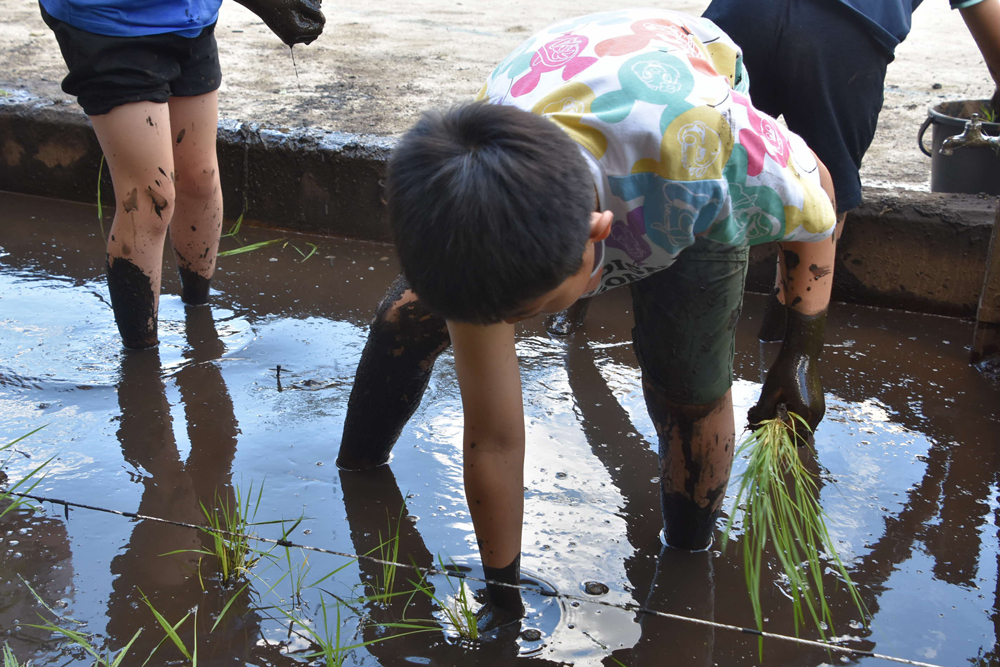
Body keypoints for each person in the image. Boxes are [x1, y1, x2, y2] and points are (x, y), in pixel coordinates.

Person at [337, 8, 838, 632]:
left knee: (688, 375)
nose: (513, 329)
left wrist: (800, 352)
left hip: (679, 112)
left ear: (600, 238)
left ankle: (688, 550)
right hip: (562, 93)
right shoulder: (480, 223)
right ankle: (358, 463)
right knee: (405, 318)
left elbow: (820, 205)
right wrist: (504, 597)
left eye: (533, 311)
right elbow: (493, 436)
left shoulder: (717, 165)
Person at [702, 0, 1000, 340]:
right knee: (825, 189)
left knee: (703, 171)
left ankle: (693, 349)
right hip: (844, 28)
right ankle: (791, 348)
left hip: (738, 15)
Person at [38, 0, 324, 350]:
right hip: (109, 23)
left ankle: (198, 311)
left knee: (199, 177)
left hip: (189, 16)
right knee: (150, 198)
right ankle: (142, 363)